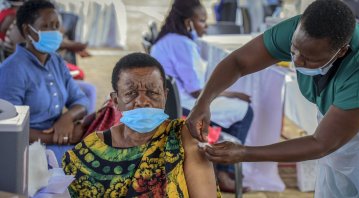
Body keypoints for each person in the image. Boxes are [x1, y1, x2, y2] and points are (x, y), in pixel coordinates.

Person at [186, 0, 359, 197]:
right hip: (336, 127)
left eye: (309, 58)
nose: (297, 61)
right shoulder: (301, 30)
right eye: (294, 50)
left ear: (341, 52)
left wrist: (244, 153)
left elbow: (321, 143)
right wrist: (203, 102)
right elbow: (238, 62)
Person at [62, 53, 220, 198]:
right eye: (131, 93)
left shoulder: (183, 138)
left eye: (152, 92)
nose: (143, 101)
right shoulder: (89, 152)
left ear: (164, 96)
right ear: (116, 100)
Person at [150, 0, 253, 192]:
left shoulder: (168, 39)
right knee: (245, 110)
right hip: (184, 105)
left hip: (169, 104)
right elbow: (197, 91)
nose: (205, 26)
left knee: (231, 109)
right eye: (202, 21)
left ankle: (216, 164)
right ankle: (224, 171)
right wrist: (233, 93)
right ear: (188, 22)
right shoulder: (183, 44)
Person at [0, 0, 89, 163]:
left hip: (61, 140)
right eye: (46, 26)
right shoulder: (12, 70)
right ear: (28, 30)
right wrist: (58, 137)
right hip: (29, 150)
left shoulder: (56, 60)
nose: (54, 32)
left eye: (56, 26)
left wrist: (67, 118)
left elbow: (81, 100)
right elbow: (9, 128)